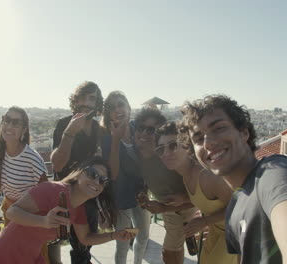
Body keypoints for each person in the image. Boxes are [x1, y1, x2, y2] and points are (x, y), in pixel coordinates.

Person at [178, 95, 287, 264]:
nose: (208, 142)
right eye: (199, 139)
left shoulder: (274, 172)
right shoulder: (234, 208)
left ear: (244, 132)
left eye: (219, 128)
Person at [0, 157, 136, 264]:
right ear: (80, 172)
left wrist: (114, 235)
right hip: (6, 252)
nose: (96, 181)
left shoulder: (79, 208)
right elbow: (12, 212)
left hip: (31, 255)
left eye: (103, 180)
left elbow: (85, 238)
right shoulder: (52, 189)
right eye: (92, 174)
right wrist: (43, 221)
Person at [154, 122, 237, 264]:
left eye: (173, 146)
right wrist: (181, 200)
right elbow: (210, 200)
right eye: (160, 149)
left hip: (233, 234)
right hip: (217, 231)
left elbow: (241, 205)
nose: (166, 153)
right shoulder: (186, 175)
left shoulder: (205, 175)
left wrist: (204, 221)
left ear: (186, 146)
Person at [133, 108, 197, 264]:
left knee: (169, 252)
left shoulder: (169, 155)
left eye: (151, 130)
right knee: (176, 244)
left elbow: (201, 195)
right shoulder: (137, 155)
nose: (144, 133)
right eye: (141, 128)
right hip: (166, 207)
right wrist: (144, 192)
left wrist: (182, 199)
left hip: (184, 207)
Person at [50, 81, 103, 264]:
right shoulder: (64, 124)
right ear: (76, 100)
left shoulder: (96, 128)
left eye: (92, 99)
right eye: (82, 98)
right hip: (69, 192)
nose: (86, 103)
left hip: (89, 191)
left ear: (97, 104)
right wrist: (70, 132)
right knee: (78, 244)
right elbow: (57, 165)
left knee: (88, 240)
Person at [101, 91, 150, 264]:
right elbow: (113, 173)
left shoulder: (140, 128)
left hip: (141, 193)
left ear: (128, 108)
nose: (117, 110)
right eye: (112, 107)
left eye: (120, 104)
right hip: (120, 196)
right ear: (107, 114)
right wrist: (115, 140)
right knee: (122, 243)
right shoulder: (106, 137)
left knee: (143, 235)